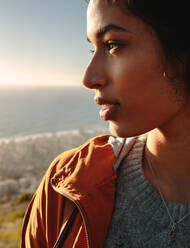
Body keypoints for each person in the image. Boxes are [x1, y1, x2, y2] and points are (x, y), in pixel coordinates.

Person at [21, 0, 190, 247]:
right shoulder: (64, 186)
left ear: (181, 54)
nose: (89, 78)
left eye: (113, 45)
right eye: (93, 49)